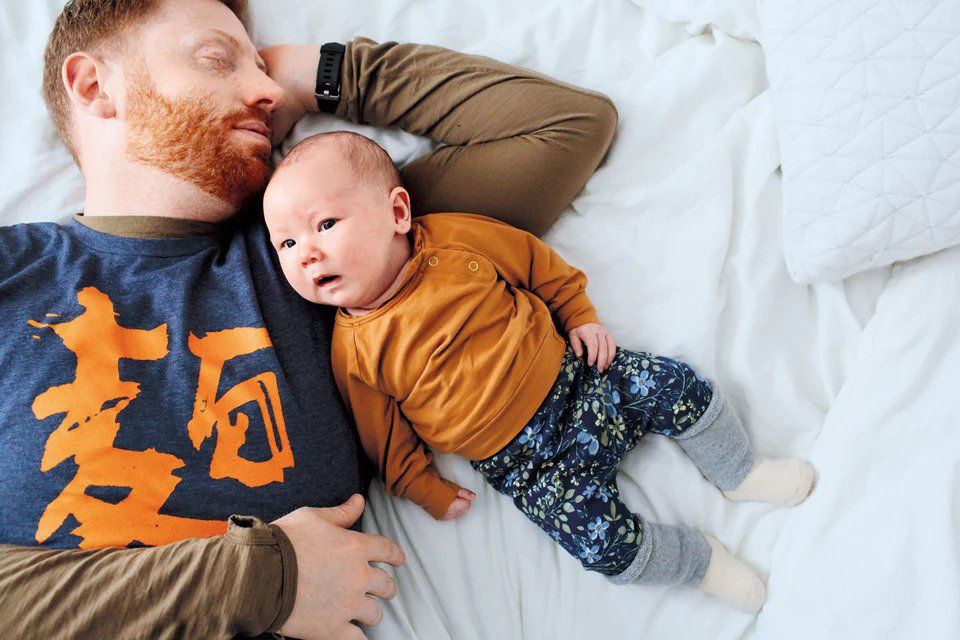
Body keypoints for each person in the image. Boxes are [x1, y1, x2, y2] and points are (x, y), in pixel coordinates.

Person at [0, 0, 618, 638]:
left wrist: (323, 75)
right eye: (218, 59)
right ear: (95, 86)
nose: (265, 90)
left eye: (264, 67)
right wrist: (259, 580)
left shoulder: (317, 264)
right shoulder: (13, 271)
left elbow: (564, 127)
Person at [261, 131, 818, 614]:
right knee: (605, 550)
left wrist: (579, 315)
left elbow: (532, 262)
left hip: (583, 380)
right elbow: (381, 436)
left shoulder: (455, 242)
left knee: (679, 389)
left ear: (398, 214)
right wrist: (421, 487)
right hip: (530, 467)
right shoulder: (353, 351)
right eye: (286, 243)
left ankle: (739, 471)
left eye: (325, 224)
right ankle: (700, 563)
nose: (305, 254)